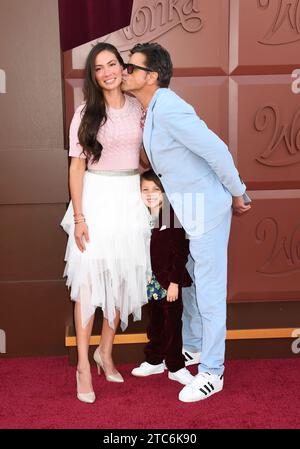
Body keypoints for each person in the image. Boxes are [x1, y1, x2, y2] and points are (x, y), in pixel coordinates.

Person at [122, 42, 251, 402]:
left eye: (132, 67)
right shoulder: (150, 109)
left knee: (209, 293)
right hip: (180, 208)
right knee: (189, 284)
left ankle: (213, 371)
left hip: (205, 207)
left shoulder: (171, 108)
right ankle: (192, 346)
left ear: (153, 76)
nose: (125, 72)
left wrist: (237, 192)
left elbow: (216, 149)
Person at [61, 43, 151, 403]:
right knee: (88, 282)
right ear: (93, 76)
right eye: (99, 68)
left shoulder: (138, 107)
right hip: (96, 200)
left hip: (129, 199)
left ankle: (106, 352)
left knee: (121, 279)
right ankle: (84, 364)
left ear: (122, 67)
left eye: (112, 64)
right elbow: (76, 167)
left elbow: (146, 155)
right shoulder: (86, 113)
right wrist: (80, 218)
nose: (107, 72)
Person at [131, 169, 194, 385]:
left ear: (164, 192)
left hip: (168, 282)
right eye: (145, 189)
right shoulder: (139, 216)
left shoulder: (171, 216)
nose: (150, 194)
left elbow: (180, 252)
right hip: (148, 281)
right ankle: (154, 360)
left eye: (155, 189)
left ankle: (176, 366)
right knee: (155, 321)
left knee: (172, 323)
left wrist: (175, 282)